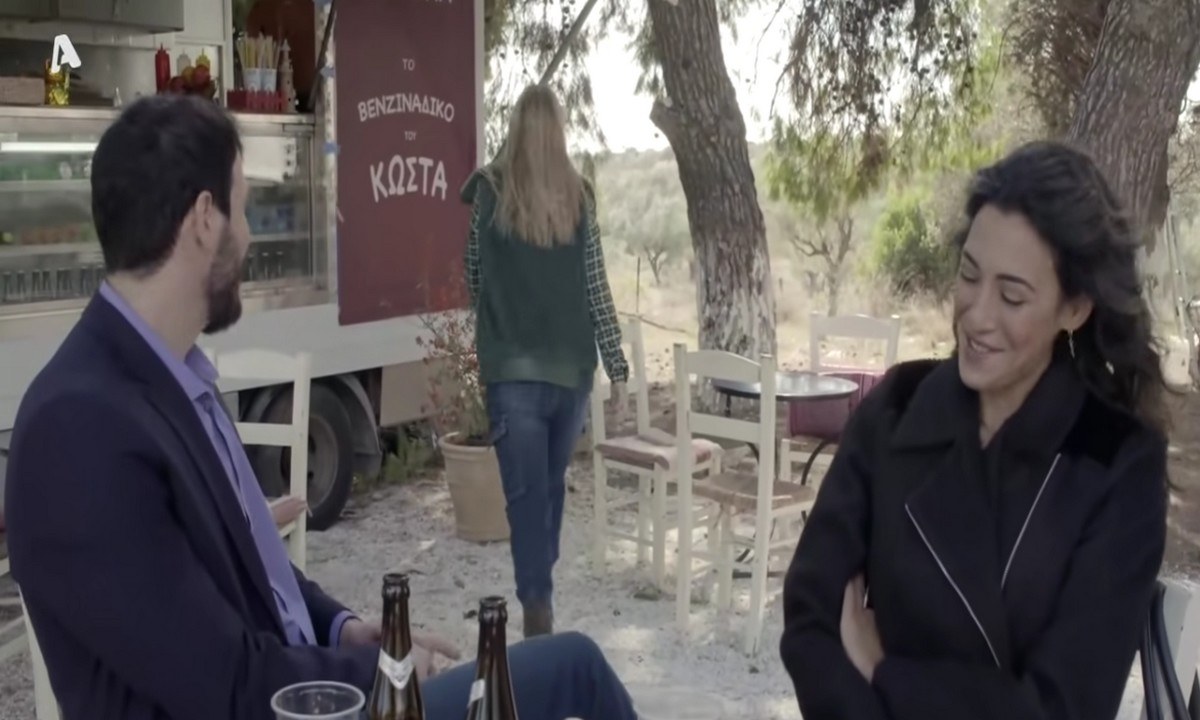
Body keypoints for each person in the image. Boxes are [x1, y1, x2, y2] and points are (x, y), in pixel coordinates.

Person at [4, 95, 639, 720]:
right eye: (243, 210)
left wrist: (341, 629)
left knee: (561, 665)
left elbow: (252, 579)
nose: (249, 237)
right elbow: (226, 688)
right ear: (203, 220)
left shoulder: (171, 380)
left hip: (309, 686)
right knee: (574, 668)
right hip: (301, 708)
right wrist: (379, 674)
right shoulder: (80, 429)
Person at [780, 140, 1170, 720]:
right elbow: (812, 616)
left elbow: (1065, 706)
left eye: (1012, 296)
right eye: (969, 274)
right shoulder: (897, 408)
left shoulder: (1117, 462)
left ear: (1074, 309)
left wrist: (886, 672)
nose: (977, 315)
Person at [460, 83, 629, 637]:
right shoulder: (579, 196)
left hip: (512, 374)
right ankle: (539, 601)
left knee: (528, 499)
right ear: (558, 133)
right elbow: (595, 285)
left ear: (513, 130)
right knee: (548, 492)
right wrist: (617, 365)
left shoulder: (488, 193)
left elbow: (474, 274)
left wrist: (502, 316)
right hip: (570, 374)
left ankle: (537, 602)